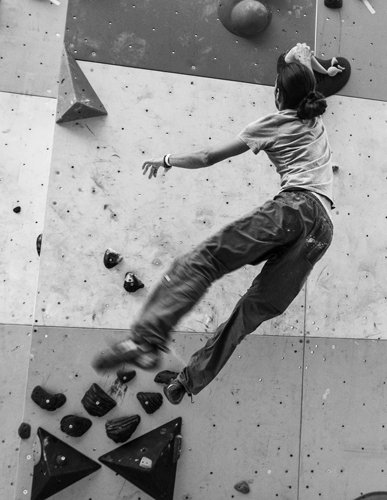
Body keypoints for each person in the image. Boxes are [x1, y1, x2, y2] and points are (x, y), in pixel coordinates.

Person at [92, 62, 335, 405]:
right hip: (322, 232)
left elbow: (208, 156)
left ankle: (147, 339)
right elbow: (301, 58)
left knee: (201, 262)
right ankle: (187, 382)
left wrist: (166, 159)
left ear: (278, 94)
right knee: (248, 314)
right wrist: (325, 65)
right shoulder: (316, 119)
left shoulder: (270, 123)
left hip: (293, 210)